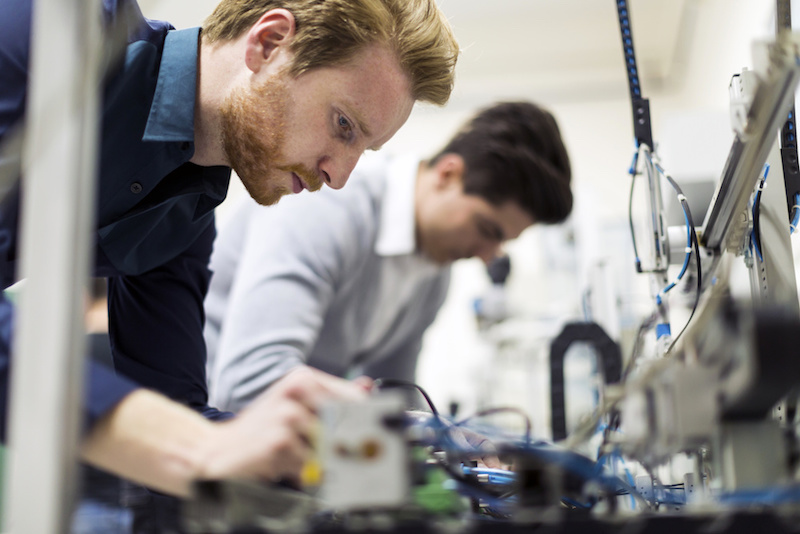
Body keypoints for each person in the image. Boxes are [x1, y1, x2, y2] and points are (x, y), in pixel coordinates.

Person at [0, 0, 459, 498]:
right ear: (269, 43)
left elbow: (177, 413)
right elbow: (188, 442)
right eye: (343, 125)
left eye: (362, 151)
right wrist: (191, 445)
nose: (339, 176)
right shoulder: (52, 26)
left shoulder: (184, 218)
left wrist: (390, 453)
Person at [204, 101, 573, 413]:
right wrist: (416, 430)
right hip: (195, 438)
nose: (488, 256)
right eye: (488, 230)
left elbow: (396, 395)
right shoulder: (329, 204)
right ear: (448, 174)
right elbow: (248, 383)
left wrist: (449, 439)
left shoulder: (433, 273)